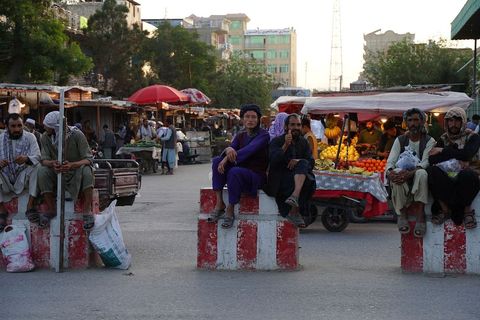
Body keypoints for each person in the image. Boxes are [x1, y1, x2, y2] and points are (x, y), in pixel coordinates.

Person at [209, 104, 269, 229]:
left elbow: (249, 150)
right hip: (239, 173)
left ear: (258, 120)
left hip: (255, 176)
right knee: (216, 161)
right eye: (247, 117)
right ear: (242, 119)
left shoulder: (264, 135)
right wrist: (229, 148)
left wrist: (226, 158)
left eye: (254, 117)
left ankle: (230, 209)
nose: (250, 120)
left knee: (234, 171)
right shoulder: (241, 135)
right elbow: (232, 149)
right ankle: (219, 203)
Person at [38, 111, 95, 230]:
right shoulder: (45, 137)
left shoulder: (77, 135)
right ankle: (51, 209)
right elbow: (44, 160)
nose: (44, 127)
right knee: (42, 171)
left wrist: (72, 165)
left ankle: (86, 211)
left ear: (55, 127)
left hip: (76, 171)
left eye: (47, 125)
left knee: (87, 171)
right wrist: (53, 164)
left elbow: (88, 159)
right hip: (57, 172)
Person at [385, 108, 435, 237]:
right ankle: (402, 214)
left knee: (422, 173)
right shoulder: (400, 140)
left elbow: (425, 162)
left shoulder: (429, 141)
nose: (413, 123)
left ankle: (420, 215)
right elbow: (391, 161)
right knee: (396, 172)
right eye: (410, 120)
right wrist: (391, 173)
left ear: (422, 122)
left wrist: (410, 173)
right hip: (403, 177)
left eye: (416, 120)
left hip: (419, 177)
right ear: (406, 123)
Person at [427, 107, 480, 229]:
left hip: (469, 177)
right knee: (430, 172)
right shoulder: (443, 138)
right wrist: (456, 155)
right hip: (449, 176)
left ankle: (467, 211)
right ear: (446, 122)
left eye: (457, 121)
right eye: (450, 121)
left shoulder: (473, 136)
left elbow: (467, 154)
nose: (453, 124)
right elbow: (432, 159)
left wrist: (443, 151)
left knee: (466, 174)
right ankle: (445, 210)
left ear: (463, 122)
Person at [266, 114, 316, 228]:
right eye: (292, 125)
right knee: (304, 174)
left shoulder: (303, 142)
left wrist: (298, 161)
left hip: (298, 176)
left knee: (304, 164)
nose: (296, 127)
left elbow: (311, 162)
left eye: (298, 125)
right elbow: (273, 161)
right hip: (281, 177)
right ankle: (294, 209)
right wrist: (285, 145)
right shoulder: (277, 141)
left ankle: (294, 199)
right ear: (286, 127)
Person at [0, 114, 41, 232]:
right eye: (13, 126)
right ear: (7, 127)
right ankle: (1, 210)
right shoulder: (0, 138)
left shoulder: (30, 137)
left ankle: (30, 206)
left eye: (19, 126)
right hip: (6, 179)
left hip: (22, 177)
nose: (17, 129)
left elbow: (38, 156)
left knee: (37, 167)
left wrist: (26, 159)